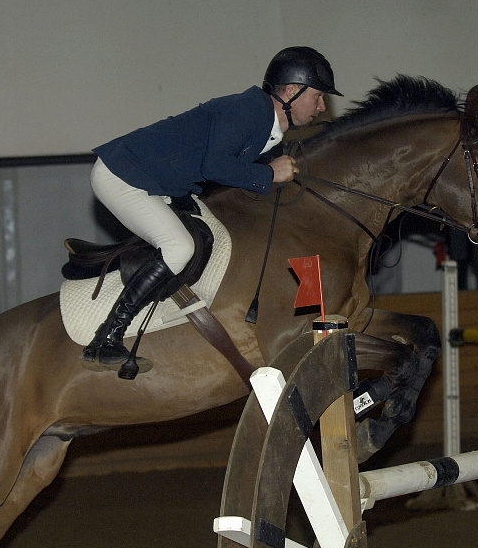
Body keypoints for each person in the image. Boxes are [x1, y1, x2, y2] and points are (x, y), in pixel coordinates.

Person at [84, 46, 342, 371]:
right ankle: (106, 338)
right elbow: (215, 165)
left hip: (160, 183)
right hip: (123, 175)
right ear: (291, 91)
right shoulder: (249, 110)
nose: (322, 107)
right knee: (178, 247)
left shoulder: (267, 125)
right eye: (318, 97)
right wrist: (269, 173)